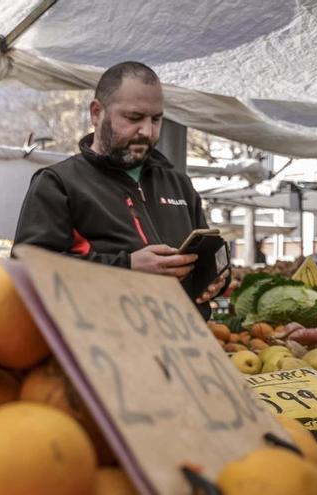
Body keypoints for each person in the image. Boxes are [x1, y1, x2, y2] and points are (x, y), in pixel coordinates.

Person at [14, 61, 225, 318]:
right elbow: (29, 270)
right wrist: (126, 267)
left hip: (184, 345)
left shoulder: (179, 184)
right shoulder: (58, 183)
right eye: (134, 118)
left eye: (156, 120)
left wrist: (215, 278)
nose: (147, 131)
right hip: (103, 349)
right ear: (96, 113)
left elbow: (204, 257)